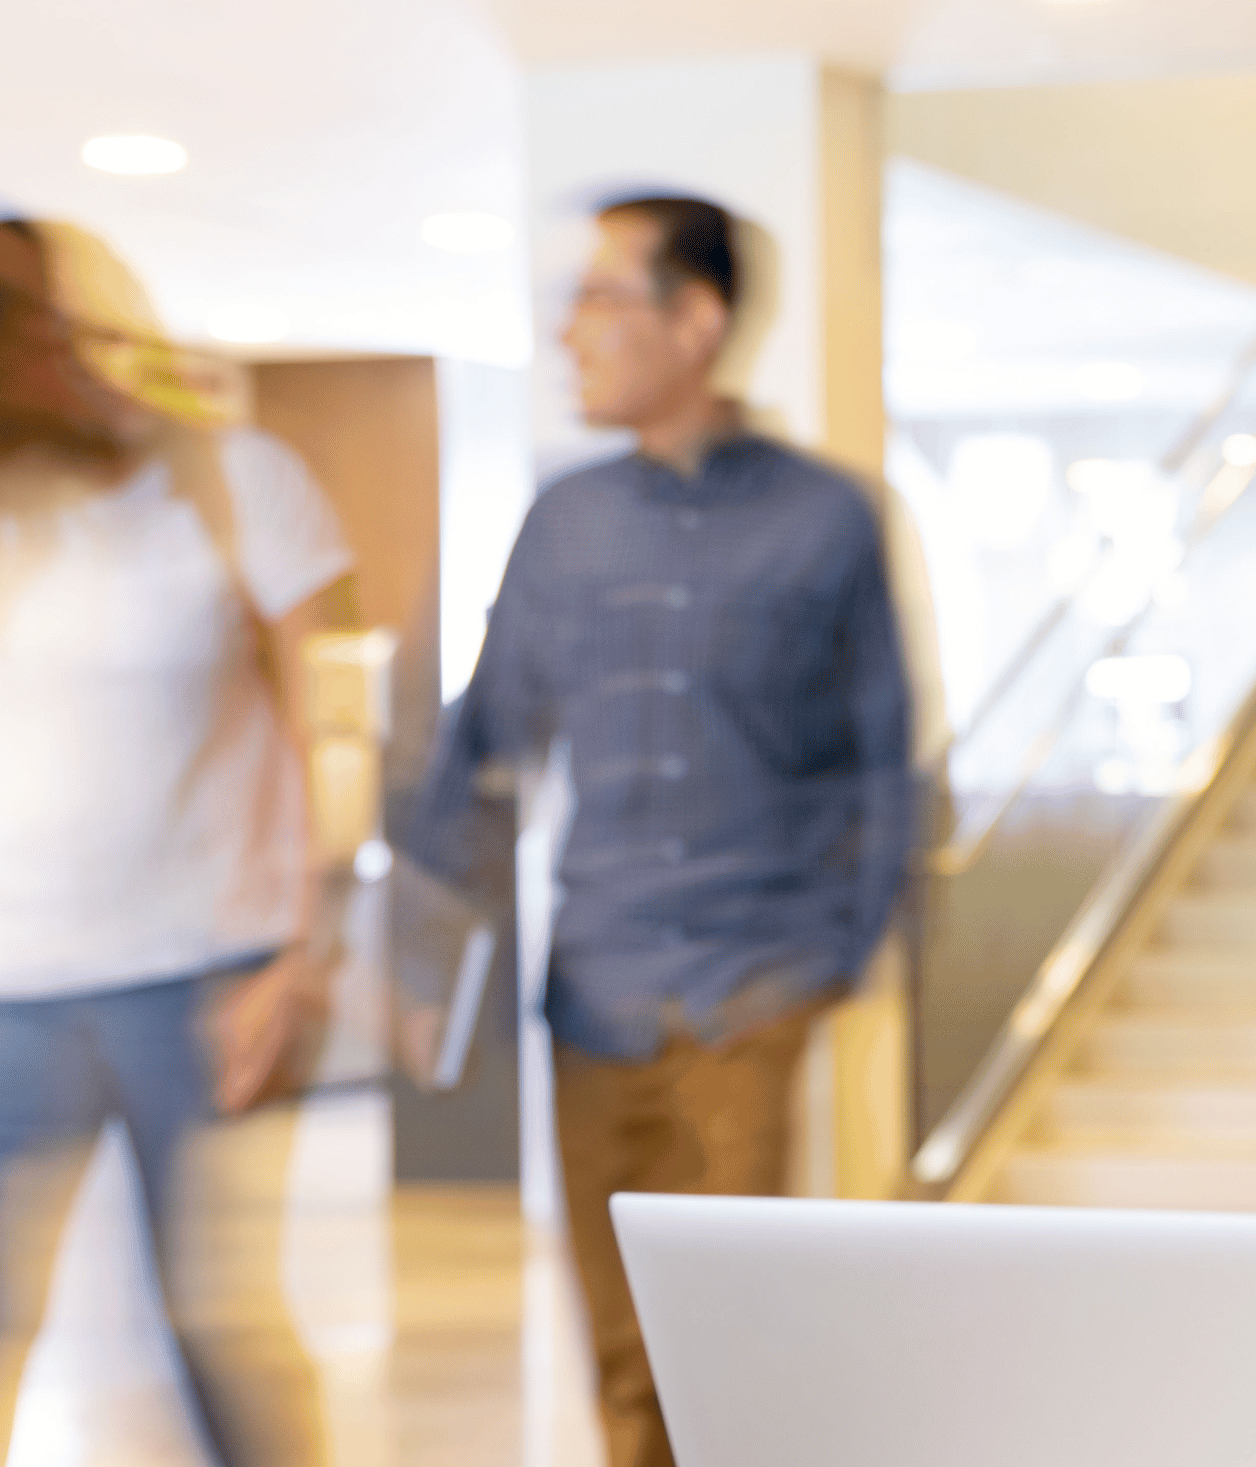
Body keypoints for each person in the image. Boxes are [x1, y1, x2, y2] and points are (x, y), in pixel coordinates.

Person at [394, 193, 915, 1467]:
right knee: (621, 1354)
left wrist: (837, 959)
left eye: (599, 300)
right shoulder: (562, 524)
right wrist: (408, 959)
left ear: (698, 322)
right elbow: (485, 744)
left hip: (754, 984)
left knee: (729, 1345)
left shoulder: (829, 518)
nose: (569, 333)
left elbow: (883, 760)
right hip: (596, 994)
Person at [0, 217, 338, 1466]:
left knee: (209, 1320)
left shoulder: (237, 482)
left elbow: (337, 734)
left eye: (66, 325)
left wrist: (308, 953)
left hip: (197, 973)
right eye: (14, 335)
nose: (55, 358)